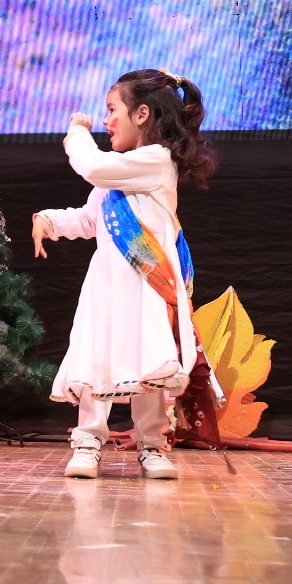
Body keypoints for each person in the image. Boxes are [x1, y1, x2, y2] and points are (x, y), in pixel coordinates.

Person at [32, 70, 218, 480]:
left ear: (142, 114)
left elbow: (93, 166)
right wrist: (48, 219)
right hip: (107, 288)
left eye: (112, 110)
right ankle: (87, 442)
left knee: (148, 361)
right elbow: (87, 219)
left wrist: (76, 134)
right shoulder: (117, 174)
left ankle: (152, 444)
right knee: (97, 357)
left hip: (147, 285)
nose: (105, 121)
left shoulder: (155, 161)